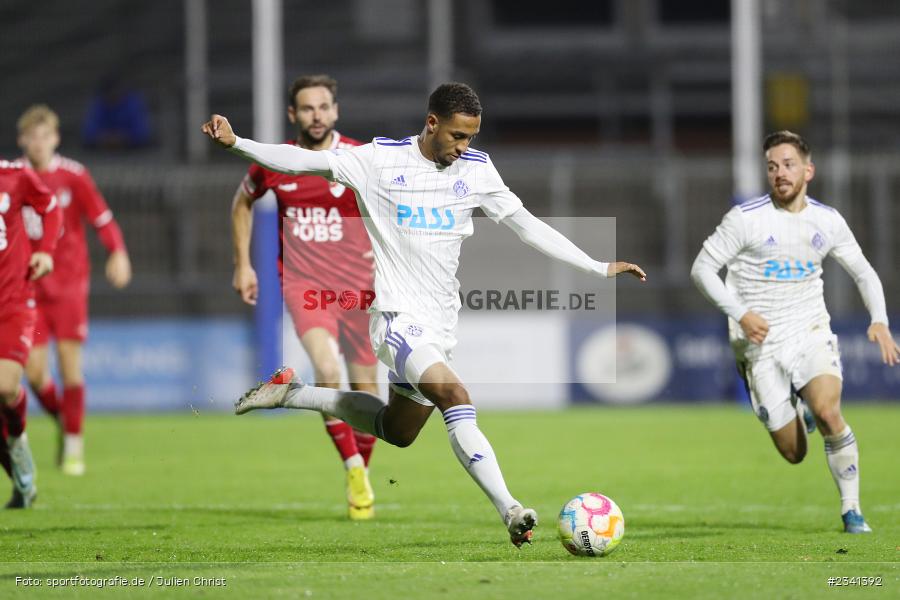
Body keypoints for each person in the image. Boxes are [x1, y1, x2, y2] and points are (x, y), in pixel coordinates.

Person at [202, 82, 646, 546]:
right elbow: (301, 160)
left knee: (396, 431)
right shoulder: (379, 160)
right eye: (457, 135)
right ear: (431, 123)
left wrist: (597, 266)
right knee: (455, 394)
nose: (464, 146)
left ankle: (292, 394)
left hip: (439, 325)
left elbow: (526, 225)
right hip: (395, 318)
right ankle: (511, 509)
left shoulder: (476, 169)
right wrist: (238, 144)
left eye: (471, 137)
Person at [691, 130, 898, 534]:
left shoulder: (827, 221)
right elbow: (701, 269)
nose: (779, 173)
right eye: (772, 166)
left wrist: (879, 320)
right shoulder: (745, 219)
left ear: (808, 170)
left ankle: (852, 510)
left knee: (828, 412)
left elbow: (863, 272)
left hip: (809, 330)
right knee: (793, 453)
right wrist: (740, 312)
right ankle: (793, 406)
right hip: (758, 345)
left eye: (788, 165)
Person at [231, 75, 379, 520]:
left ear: (335, 111)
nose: (317, 115)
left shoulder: (359, 158)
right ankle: (354, 467)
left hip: (362, 288)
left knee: (369, 394)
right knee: (328, 371)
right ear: (293, 115)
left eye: (324, 107)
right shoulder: (276, 162)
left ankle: (362, 477)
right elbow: (241, 203)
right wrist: (243, 264)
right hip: (306, 286)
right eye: (307, 108)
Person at [18, 105, 132, 476]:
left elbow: (102, 218)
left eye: (45, 135)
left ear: (56, 138)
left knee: (70, 368)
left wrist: (117, 251)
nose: (38, 143)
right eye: (31, 136)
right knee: (34, 373)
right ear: (23, 141)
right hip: (27, 285)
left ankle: (73, 448)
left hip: (68, 285)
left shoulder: (73, 176)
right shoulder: (14, 178)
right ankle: (65, 423)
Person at [0, 157, 62, 508]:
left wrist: (46, 253)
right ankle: (22, 484)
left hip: (12, 300)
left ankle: (18, 439)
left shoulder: (14, 175)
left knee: (6, 386)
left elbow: (50, 206)